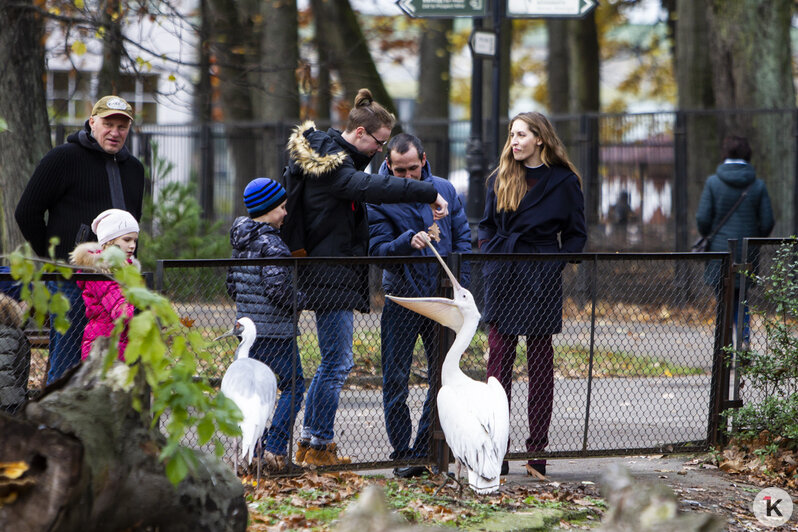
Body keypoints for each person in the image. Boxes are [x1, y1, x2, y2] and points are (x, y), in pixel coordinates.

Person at [283, 88, 449, 467]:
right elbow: (377, 187)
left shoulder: (333, 161)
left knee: (332, 361)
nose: (380, 150)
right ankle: (319, 444)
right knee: (338, 362)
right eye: (379, 142)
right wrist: (427, 192)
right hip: (329, 273)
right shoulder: (332, 167)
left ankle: (312, 442)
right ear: (360, 134)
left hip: (332, 271)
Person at [478, 111, 587, 477]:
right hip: (504, 273)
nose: (515, 141)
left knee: (541, 366)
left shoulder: (565, 181)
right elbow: (486, 226)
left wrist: (553, 263)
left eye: (522, 134)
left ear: (540, 138)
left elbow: (576, 233)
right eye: (512, 135)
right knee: (498, 367)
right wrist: (492, 257)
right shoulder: (500, 177)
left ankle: (537, 451)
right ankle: (497, 449)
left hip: (540, 277)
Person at [15, 95, 146, 383]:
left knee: (117, 364)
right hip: (72, 281)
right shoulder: (62, 158)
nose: (115, 131)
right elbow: (27, 212)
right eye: (108, 123)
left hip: (118, 283)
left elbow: (133, 224)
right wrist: (57, 260)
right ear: (92, 123)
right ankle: (54, 427)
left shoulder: (134, 170)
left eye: (122, 126)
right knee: (67, 363)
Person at [367, 133, 471, 478]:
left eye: (413, 168)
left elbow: (463, 241)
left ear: (423, 159)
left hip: (442, 296)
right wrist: (405, 242)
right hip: (403, 295)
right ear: (388, 166)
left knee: (442, 373)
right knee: (395, 376)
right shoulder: (378, 195)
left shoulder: (444, 189)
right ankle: (402, 452)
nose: (408, 176)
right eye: (400, 171)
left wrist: (461, 286)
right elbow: (378, 251)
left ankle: (427, 448)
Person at [225, 177, 306, 472]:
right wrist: (303, 298)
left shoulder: (240, 239)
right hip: (275, 331)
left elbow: (231, 285)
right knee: (293, 385)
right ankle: (273, 448)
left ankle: (254, 451)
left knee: (255, 392)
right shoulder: (272, 243)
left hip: (249, 329)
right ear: (267, 209)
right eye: (282, 207)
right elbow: (279, 290)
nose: (285, 213)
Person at [696, 135, 774, 347]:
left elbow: (703, 218)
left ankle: (725, 346)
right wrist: (753, 238)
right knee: (742, 297)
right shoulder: (757, 185)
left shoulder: (713, 182)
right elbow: (768, 221)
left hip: (720, 251)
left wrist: (708, 234)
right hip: (746, 250)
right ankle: (744, 340)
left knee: (723, 298)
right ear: (747, 154)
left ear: (725, 153)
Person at [70, 209, 140, 361]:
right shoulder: (102, 273)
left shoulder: (124, 270)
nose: (132, 245)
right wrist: (143, 311)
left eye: (134, 240)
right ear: (110, 241)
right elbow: (120, 312)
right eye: (127, 240)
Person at [0, 293, 30, 415]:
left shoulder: (7, 333)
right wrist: (15, 402)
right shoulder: (8, 333)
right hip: (8, 401)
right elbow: (3, 369)